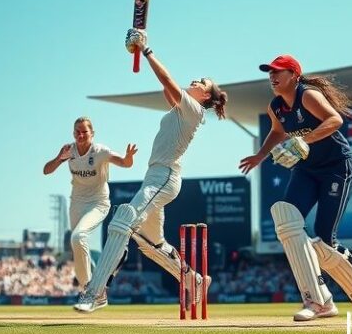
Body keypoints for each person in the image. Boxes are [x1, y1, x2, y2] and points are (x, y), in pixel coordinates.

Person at [73, 29, 228, 313]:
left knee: (123, 220)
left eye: (201, 82)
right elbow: (166, 87)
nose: (195, 80)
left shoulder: (194, 110)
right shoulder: (181, 109)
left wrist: (146, 49)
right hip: (155, 177)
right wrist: (136, 45)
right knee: (149, 242)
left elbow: (167, 81)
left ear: (205, 95)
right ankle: (194, 281)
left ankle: (94, 292)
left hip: (165, 176)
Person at [239, 55, 352, 322]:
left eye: (277, 71)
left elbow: (335, 120)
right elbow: (278, 132)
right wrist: (260, 155)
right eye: (269, 72)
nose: (272, 76)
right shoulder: (276, 106)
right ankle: (318, 301)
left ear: (294, 75)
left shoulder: (308, 95)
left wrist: (305, 140)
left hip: (337, 166)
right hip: (307, 169)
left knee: (325, 239)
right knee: (286, 219)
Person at [43, 117, 137, 293]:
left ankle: (90, 288)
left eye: (84, 132)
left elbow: (125, 163)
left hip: (98, 202)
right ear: (73, 133)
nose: (80, 135)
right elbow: (46, 170)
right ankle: (85, 287)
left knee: (78, 237)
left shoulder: (100, 151)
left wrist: (128, 157)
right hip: (77, 203)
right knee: (76, 243)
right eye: (77, 132)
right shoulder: (69, 151)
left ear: (92, 134)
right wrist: (58, 158)